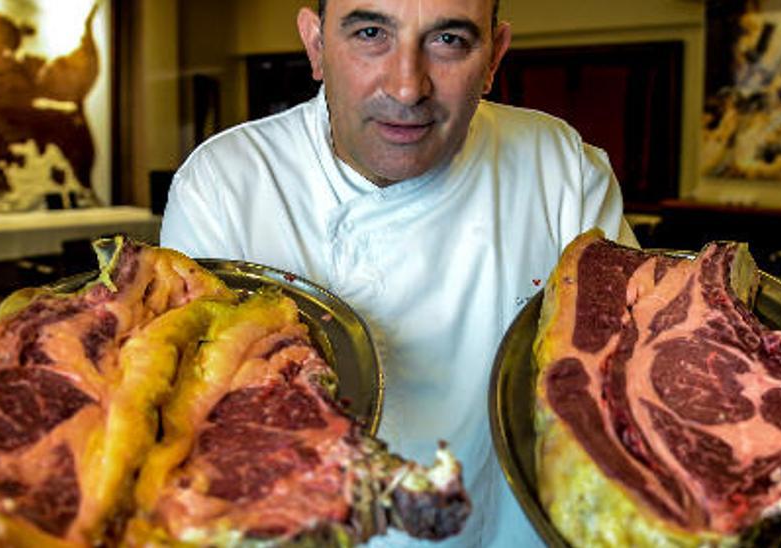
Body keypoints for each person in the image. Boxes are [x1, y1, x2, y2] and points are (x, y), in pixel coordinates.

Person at [160, 0, 637, 545]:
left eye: (449, 41)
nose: (408, 88)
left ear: (493, 58)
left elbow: (627, 390)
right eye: (370, 33)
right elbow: (200, 433)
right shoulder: (227, 183)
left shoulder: (561, 169)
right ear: (316, 45)